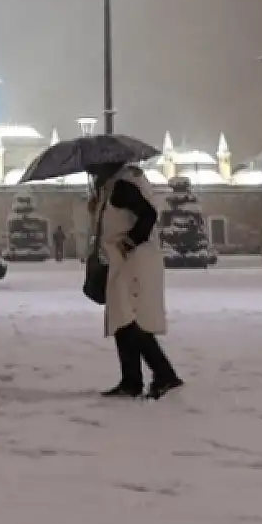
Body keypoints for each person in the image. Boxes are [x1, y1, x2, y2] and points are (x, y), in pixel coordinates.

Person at [88, 160, 183, 400]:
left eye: (93, 169)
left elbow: (149, 214)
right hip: (121, 261)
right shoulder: (111, 189)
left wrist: (131, 241)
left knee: (131, 320)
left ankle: (164, 375)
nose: (91, 173)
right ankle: (131, 380)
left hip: (133, 261)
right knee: (121, 319)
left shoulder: (123, 187)